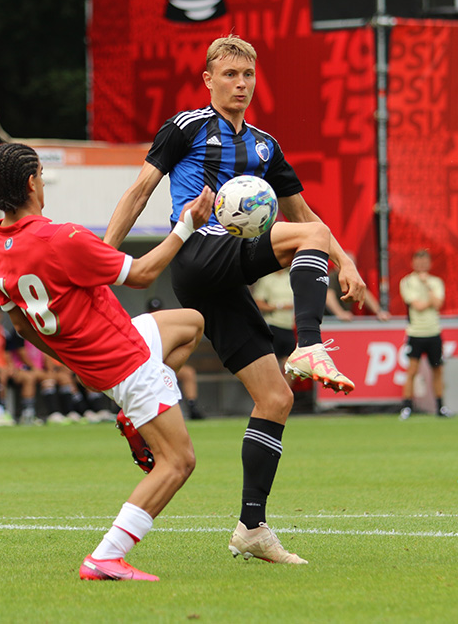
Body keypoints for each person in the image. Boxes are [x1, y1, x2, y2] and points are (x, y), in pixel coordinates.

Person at [104, 35, 367, 564]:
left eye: (247, 75)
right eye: (229, 75)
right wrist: (103, 258)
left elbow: (304, 211)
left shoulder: (266, 145)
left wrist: (350, 262)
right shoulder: (187, 127)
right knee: (309, 239)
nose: (240, 84)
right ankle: (310, 345)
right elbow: (139, 190)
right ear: (208, 80)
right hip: (198, 252)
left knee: (276, 399)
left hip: (225, 279)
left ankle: (252, 526)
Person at [0, 142, 211, 581]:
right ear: (31, 183)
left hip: (100, 359)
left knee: (192, 324)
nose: (43, 185)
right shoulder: (61, 238)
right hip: (125, 358)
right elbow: (142, 274)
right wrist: (186, 225)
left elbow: (26, 329)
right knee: (178, 462)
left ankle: (132, 418)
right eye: (42, 179)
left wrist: (73, 362)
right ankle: (107, 555)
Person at [398, 250, 448, 419]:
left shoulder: (435, 282)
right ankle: (407, 407)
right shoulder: (407, 282)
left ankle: (440, 407)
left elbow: (439, 303)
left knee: (437, 370)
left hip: (433, 332)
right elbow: (417, 306)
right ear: (413, 263)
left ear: (429, 263)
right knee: (412, 370)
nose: (421, 265)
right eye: (418, 261)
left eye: (424, 261)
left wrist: (427, 285)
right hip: (416, 333)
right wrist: (430, 302)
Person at [147, 297, 204, 419]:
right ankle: (120, 408)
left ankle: (192, 406)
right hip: (144, 368)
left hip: (165, 365)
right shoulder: (143, 327)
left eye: (157, 310)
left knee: (188, 372)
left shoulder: (168, 327)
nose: (155, 312)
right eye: (152, 310)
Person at [251, 268, 295, 384]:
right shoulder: (267, 279)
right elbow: (258, 302)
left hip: (289, 326)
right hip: (273, 324)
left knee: (290, 365)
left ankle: (285, 393)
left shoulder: (290, 277)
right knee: (273, 363)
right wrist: (279, 306)